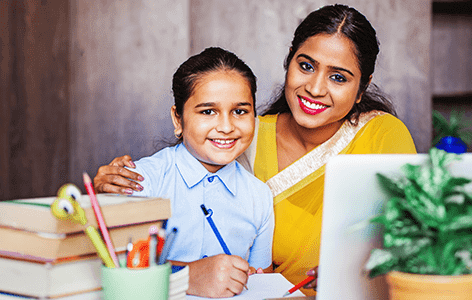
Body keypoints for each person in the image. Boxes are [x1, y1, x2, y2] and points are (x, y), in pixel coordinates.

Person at [93, 4, 416, 296]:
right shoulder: (240, 137)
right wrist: (109, 196)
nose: (316, 88)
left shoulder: (381, 135)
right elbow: (112, 260)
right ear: (289, 58)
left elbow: (415, 241)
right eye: (306, 66)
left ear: (362, 87)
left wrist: (351, 274)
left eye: (338, 77)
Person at [118, 47, 274, 298]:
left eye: (240, 111)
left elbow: (262, 283)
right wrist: (186, 276)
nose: (226, 126)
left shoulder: (259, 196)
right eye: (208, 111)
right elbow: (114, 272)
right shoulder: (143, 181)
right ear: (178, 119)